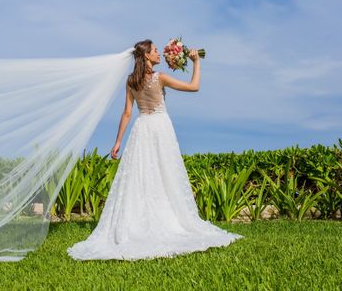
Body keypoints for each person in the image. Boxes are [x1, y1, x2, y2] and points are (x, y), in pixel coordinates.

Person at [66, 39, 243, 260]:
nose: (160, 54)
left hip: (142, 128)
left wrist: (118, 142)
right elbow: (194, 87)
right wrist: (196, 62)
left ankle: (139, 220)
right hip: (160, 128)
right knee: (164, 173)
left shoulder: (131, 81)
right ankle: (166, 219)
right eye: (156, 51)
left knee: (142, 176)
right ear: (147, 56)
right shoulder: (160, 78)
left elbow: (127, 113)